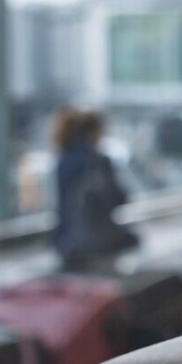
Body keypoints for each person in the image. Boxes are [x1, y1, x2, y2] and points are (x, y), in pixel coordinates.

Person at [51, 107, 138, 269]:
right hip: (99, 241)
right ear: (92, 132)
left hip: (68, 244)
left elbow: (61, 210)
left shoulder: (62, 161)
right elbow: (120, 197)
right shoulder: (99, 161)